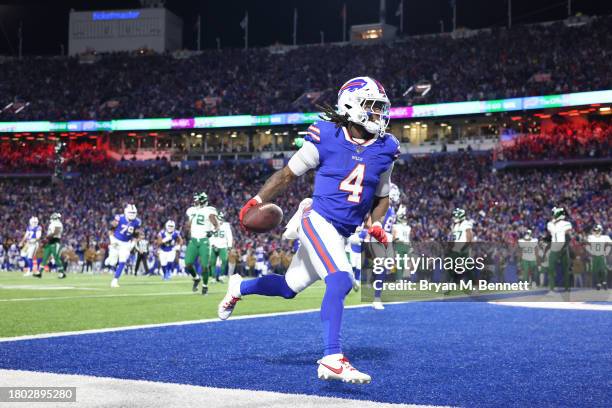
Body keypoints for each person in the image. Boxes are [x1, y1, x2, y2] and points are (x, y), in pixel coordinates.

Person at [218, 76, 399, 384]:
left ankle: (238, 288)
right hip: (317, 219)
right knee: (341, 280)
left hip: (341, 231)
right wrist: (256, 201)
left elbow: (382, 195)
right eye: (371, 107)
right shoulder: (326, 135)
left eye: (381, 109)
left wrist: (377, 223)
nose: (378, 115)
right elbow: (287, 175)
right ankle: (332, 357)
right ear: (351, 106)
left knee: (289, 287)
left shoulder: (386, 148)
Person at [184, 192, 218, 294]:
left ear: (202, 200)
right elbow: (188, 225)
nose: (195, 201)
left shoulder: (209, 210)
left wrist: (212, 232)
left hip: (204, 241)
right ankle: (196, 278)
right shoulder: (192, 210)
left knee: (204, 265)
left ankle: (205, 286)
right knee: (188, 264)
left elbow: (216, 225)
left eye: (197, 200)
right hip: (193, 240)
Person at [107, 204, 141, 288]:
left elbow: (136, 235)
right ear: (126, 212)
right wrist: (112, 240)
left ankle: (115, 281)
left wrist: (132, 244)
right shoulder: (119, 218)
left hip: (126, 244)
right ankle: (109, 260)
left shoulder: (137, 221)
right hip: (116, 241)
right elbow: (110, 230)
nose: (132, 214)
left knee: (123, 261)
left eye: (134, 212)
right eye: (130, 212)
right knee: (113, 262)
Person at [547, 207, 573, 291]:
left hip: (561, 247)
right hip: (557, 246)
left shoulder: (564, 223)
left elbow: (567, 232)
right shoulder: (551, 224)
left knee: (564, 268)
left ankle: (565, 287)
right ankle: (552, 287)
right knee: (552, 268)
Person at [35, 213, 65, 279]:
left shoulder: (58, 223)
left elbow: (56, 232)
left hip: (55, 242)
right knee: (45, 257)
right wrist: (46, 240)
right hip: (49, 242)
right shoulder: (53, 224)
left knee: (56, 258)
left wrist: (46, 238)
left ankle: (62, 272)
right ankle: (39, 272)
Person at [586, 224, 610, 290]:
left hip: (602, 256)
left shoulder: (605, 237)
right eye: (595, 230)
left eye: (598, 230)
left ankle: (604, 282)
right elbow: (587, 246)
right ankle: (598, 283)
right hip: (595, 256)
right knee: (596, 271)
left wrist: (607, 252)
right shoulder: (591, 237)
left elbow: (609, 244)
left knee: (603, 270)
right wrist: (591, 251)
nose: (597, 232)